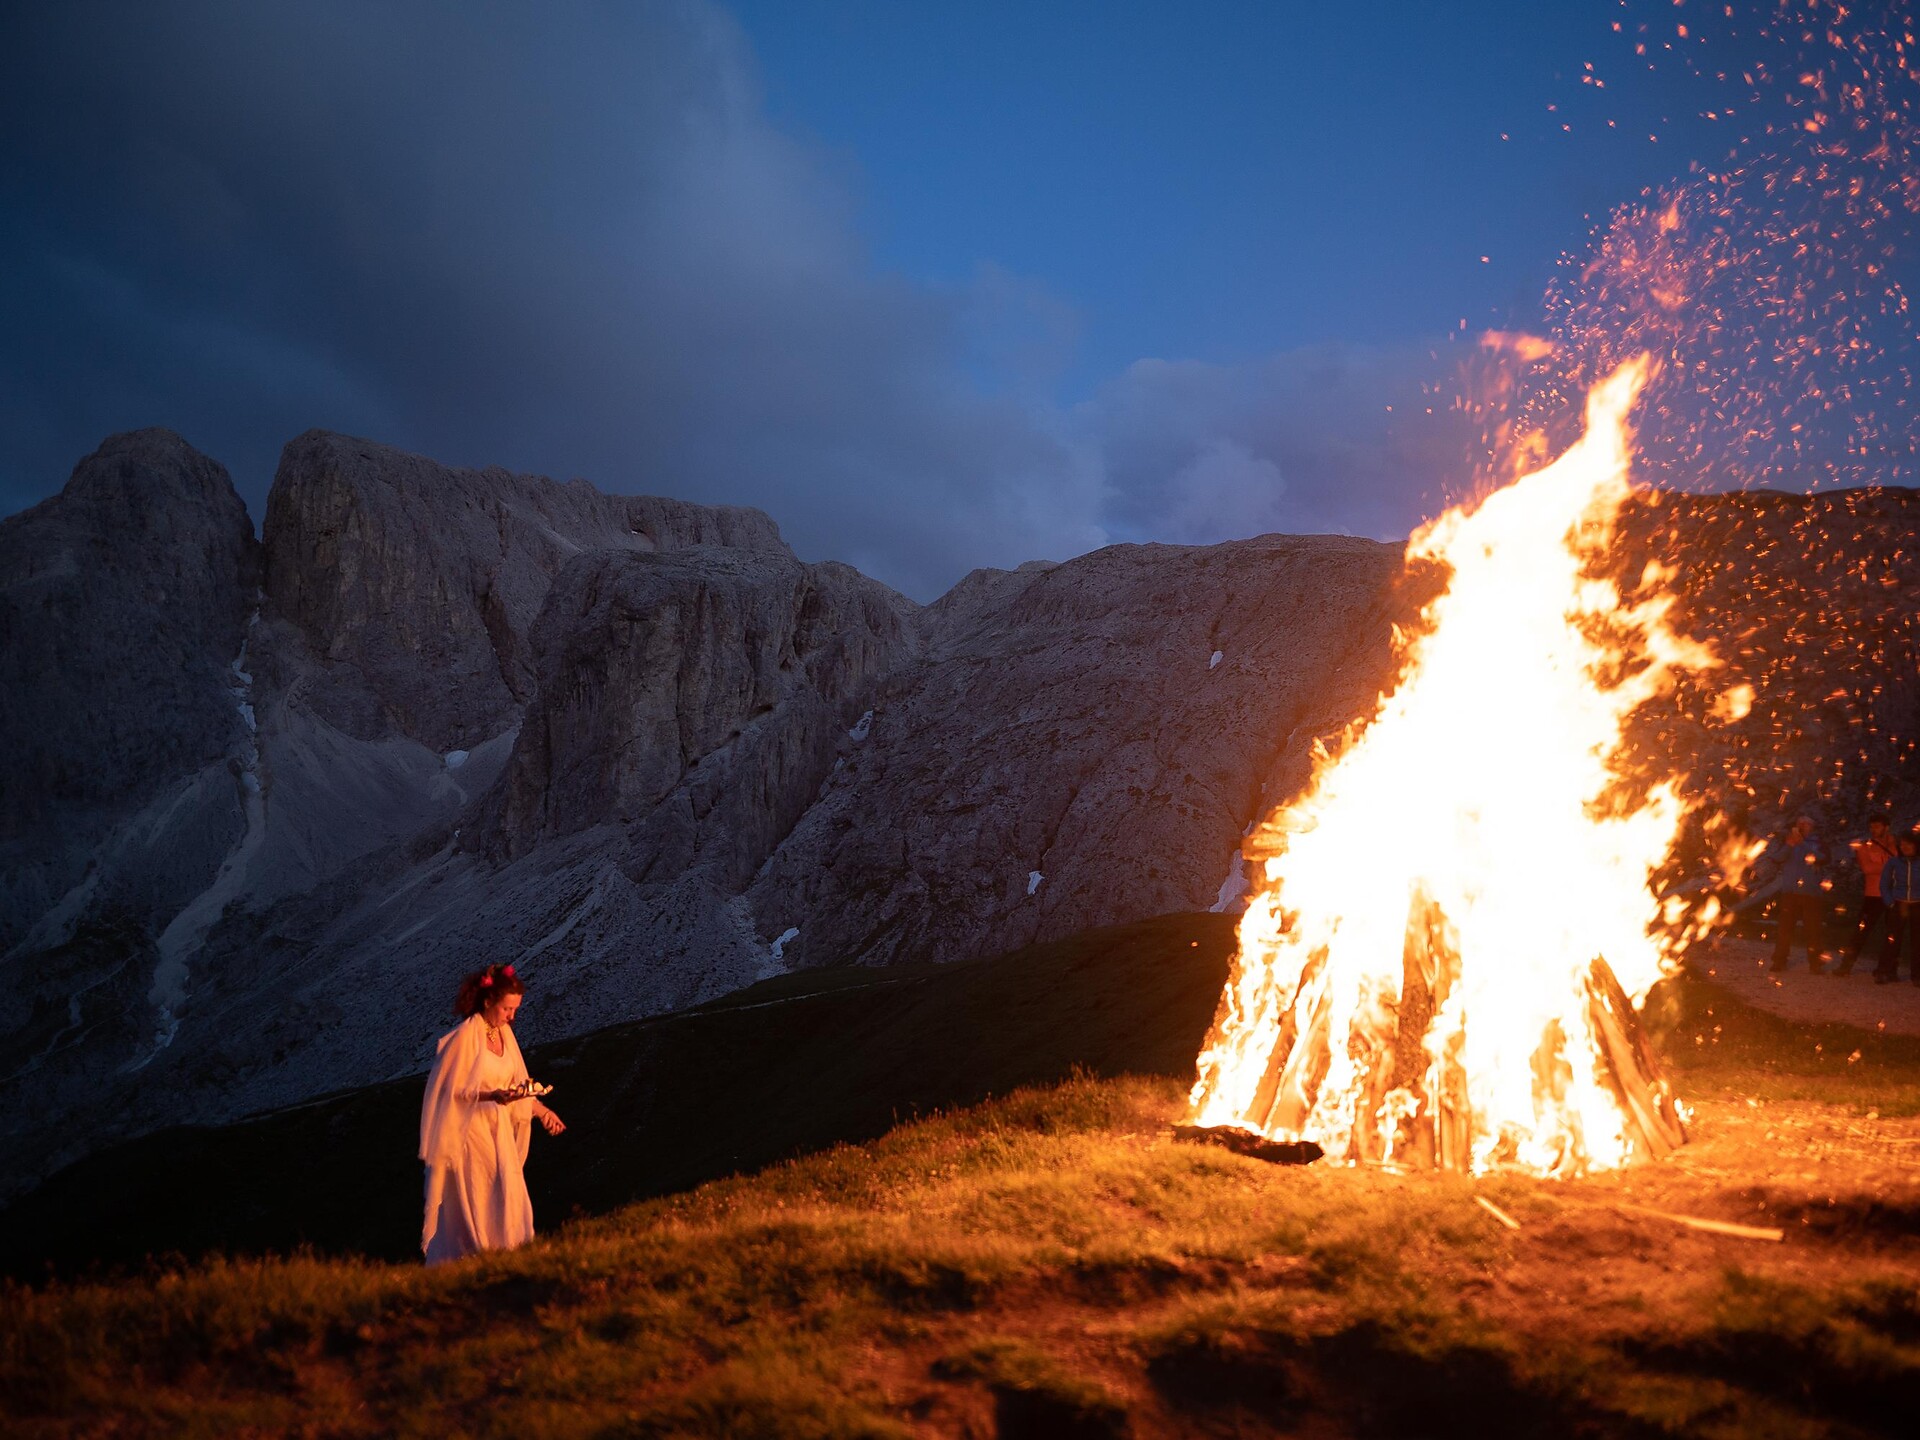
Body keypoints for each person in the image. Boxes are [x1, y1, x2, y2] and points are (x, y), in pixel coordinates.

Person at [419, 962, 565, 1265]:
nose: (512, 1017)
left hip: (497, 1129)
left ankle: (510, 1253)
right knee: (480, 1189)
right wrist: (490, 1096)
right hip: (470, 1131)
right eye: (507, 1009)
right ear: (488, 1002)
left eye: (515, 1010)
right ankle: (475, 1255)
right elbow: (450, 1090)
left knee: (508, 1188)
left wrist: (540, 1110)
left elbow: (515, 1084)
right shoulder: (464, 1038)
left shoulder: (505, 1037)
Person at [1835, 813, 1898, 976]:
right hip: (1873, 894)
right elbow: (1867, 869)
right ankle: (1845, 966)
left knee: (1893, 933)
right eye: (1871, 826)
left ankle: (1887, 969)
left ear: (1886, 827)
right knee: (1861, 931)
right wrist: (1889, 867)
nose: (1873, 830)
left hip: (1893, 895)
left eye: (1877, 826)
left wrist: (1883, 864)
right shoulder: (1865, 846)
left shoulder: (1895, 844)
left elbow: (1898, 866)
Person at [1767, 817, 1829, 974]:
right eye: (1799, 824)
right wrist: (1789, 845)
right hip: (1790, 892)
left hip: (1811, 893)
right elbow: (1776, 858)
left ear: (1811, 827)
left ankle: (1815, 963)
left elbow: (1822, 859)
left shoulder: (1818, 842)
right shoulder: (1788, 841)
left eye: (1806, 824)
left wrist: (1803, 844)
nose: (1802, 826)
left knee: (1813, 930)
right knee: (1785, 929)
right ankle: (1779, 961)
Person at [1876, 830, 1920, 986]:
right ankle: (1884, 971)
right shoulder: (1894, 863)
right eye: (1902, 844)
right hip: (1899, 903)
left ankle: (1917, 975)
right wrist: (1890, 902)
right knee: (1892, 940)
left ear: (1915, 845)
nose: (1905, 847)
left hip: (1917, 905)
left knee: (1918, 942)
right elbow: (1884, 883)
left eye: (1908, 844)